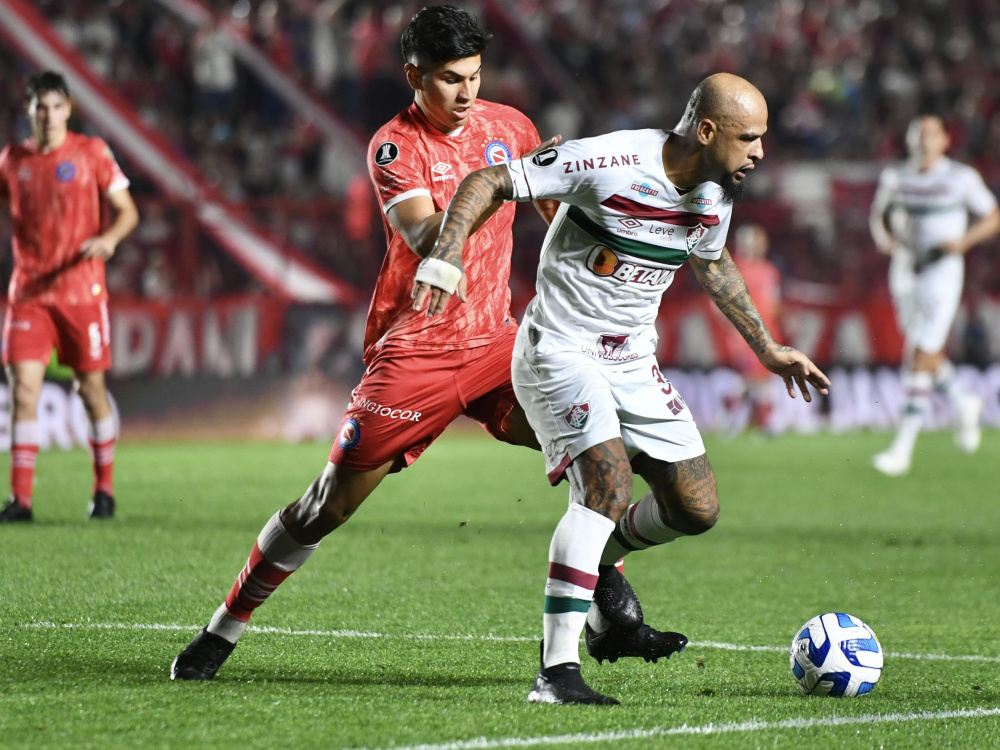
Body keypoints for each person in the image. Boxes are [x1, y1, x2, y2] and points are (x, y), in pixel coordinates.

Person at [172, 5, 682, 683]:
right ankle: (223, 629)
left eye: (473, 75)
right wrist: (492, 189)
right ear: (413, 75)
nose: (467, 91)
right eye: (448, 79)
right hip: (419, 351)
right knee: (329, 504)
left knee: (603, 458)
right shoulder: (395, 146)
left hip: (503, 344)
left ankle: (607, 613)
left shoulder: (512, 127)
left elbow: (557, 215)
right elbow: (421, 236)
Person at [414, 73, 830, 704]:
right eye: (749, 137)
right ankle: (556, 673)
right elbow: (491, 180)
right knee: (606, 487)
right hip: (559, 348)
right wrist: (445, 252)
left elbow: (711, 262)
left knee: (695, 508)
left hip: (633, 360)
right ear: (708, 131)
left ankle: (598, 559)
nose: (760, 152)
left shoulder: (716, 192)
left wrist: (768, 349)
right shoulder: (609, 160)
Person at [0, 71, 139, 522]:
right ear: (29, 111)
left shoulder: (91, 153)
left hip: (82, 292)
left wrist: (110, 240)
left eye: (57, 106)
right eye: (41, 107)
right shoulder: (12, 161)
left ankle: (105, 490)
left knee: (90, 389)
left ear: (69, 108)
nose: (49, 115)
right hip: (29, 294)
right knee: (24, 390)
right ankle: (20, 500)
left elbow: (128, 212)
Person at [870, 114, 1000, 477]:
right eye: (918, 133)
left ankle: (903, 448)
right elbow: (878, 218)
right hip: (905, 272)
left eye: (931, 134)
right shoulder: (895, 177)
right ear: (910, 140)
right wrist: (886, 242)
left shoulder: (960, 177)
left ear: (945, 140)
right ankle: (964, 401)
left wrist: (963, 242)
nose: (924, 140)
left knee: (919, 355)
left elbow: (992, 216)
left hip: (942, 274)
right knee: (924, 352)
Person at [721, 224, 782, 433]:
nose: (761, 245)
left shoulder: (769, 270)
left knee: (760, 379)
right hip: (746, 333)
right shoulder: (734, 271)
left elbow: (773, 305)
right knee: (751, 377)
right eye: (756, 241)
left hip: (767, 333)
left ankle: (759, 424)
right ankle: (731, 418)